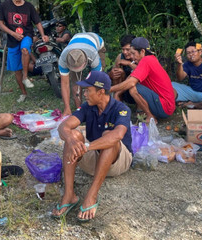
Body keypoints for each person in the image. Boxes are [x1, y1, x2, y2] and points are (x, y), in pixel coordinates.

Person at [51, 71, 133, 222]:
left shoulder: (121, 109)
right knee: (73, 136)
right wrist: (71, 140)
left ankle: (91, 195)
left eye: (88, 91)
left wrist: (87, 147)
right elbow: (64, 126)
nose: (85, 95)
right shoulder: (88, 107)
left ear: (101, 92)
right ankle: (69, 195)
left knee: (109, 136)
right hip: (95, 157)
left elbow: (118, 135)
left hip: (118, 162)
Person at [0, 0, 48, 103]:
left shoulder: (29, 6)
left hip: (26, 35)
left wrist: (43, 35)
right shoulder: (4, 6)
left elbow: (38, 22)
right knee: (16, 70)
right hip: (12, 39)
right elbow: (0, 24)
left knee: (25, 49)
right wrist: (12, 33)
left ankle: (26, 77)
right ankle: (23, 93)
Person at [110, 37, 175, 122]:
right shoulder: (150, 59)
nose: (132, 57)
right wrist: (117, 93)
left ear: (142, 51)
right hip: (165, 105)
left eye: (133, 53)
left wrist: (109, 89)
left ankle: (150, 117)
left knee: (133, 88)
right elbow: (129, 79)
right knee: (131, 85)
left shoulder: (146, 61)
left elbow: (131, 83)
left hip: (165, 107)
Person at [58, 32, 107, 115]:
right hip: (76, 43)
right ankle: (79, 109)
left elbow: (97, 83)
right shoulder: (64, 58)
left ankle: (98, 107)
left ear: (85, 61)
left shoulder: (93, 55)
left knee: (98, 81)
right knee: (75, 81)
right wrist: (67, 107)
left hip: (96, 42)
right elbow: (65, 84)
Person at [172, 41, 202, 110]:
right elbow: (180, 78)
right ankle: (168, 105)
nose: (191, 54)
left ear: (200, 52)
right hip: (192, 92)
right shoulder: (187, 64)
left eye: (193, 51)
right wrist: (179, 64)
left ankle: (190, 104)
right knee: (170, 85)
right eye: (188, 53)